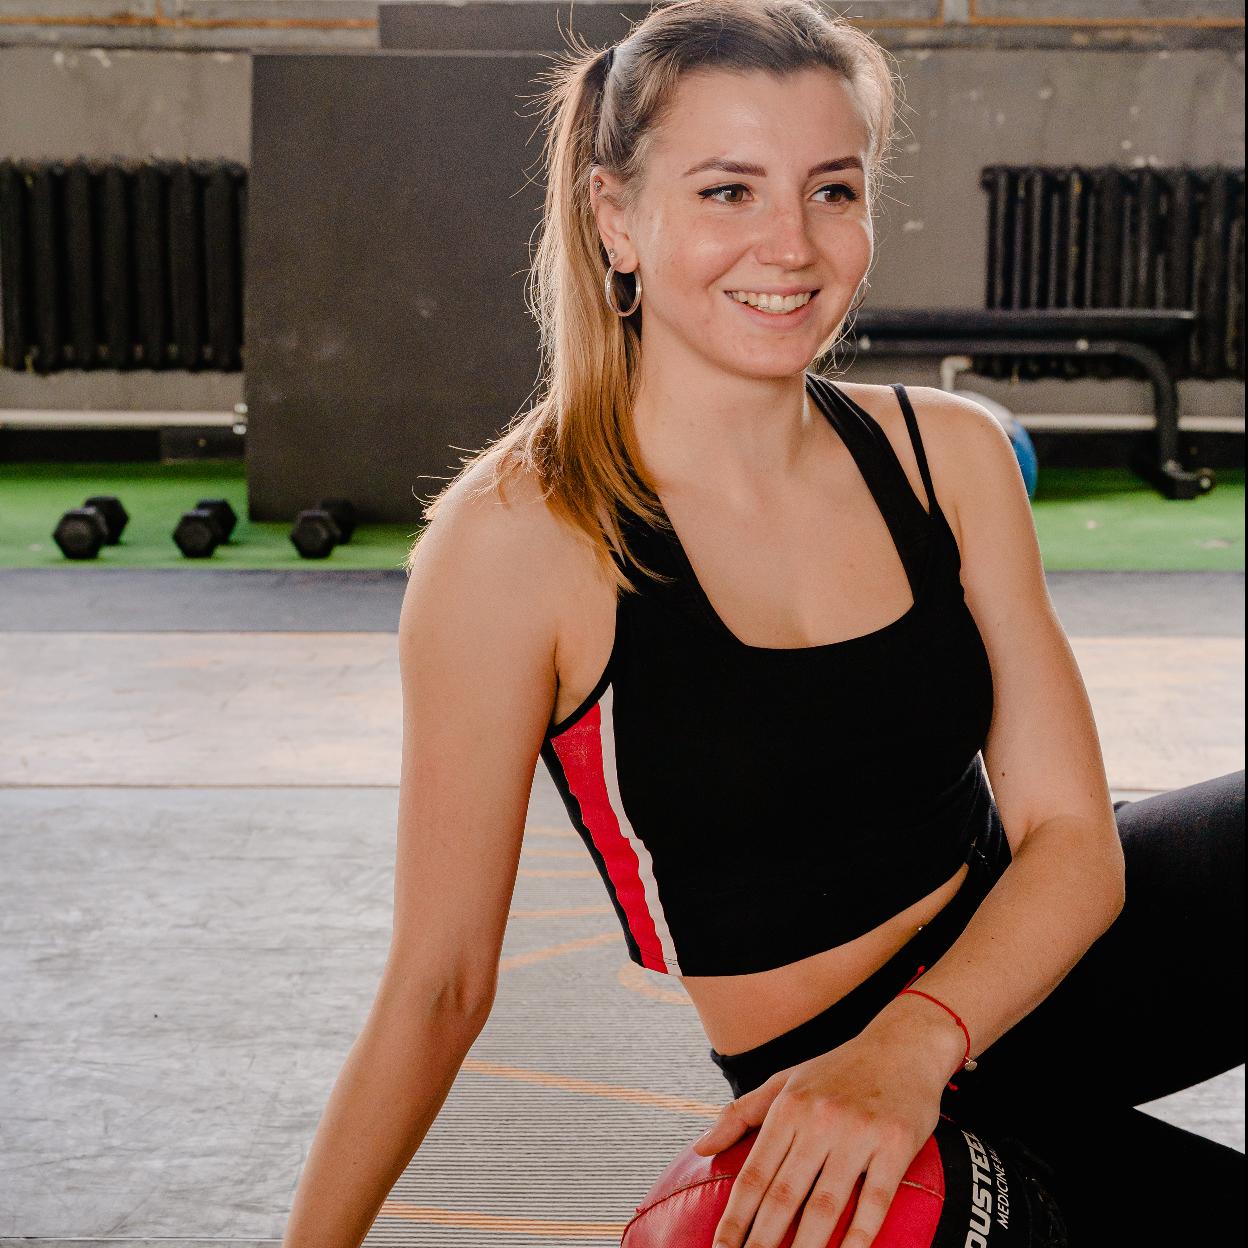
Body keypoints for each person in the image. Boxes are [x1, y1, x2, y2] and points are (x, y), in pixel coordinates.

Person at [281, 2, 1245, 1244]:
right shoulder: (515, 548)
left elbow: (1071, 840)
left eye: (832, 190)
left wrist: (917, 1039)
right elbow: (441, 985)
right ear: (616, 217)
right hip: (827, 1087)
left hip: (1028, 960)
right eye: (728, 192)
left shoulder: (947, 456)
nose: (791, 244)